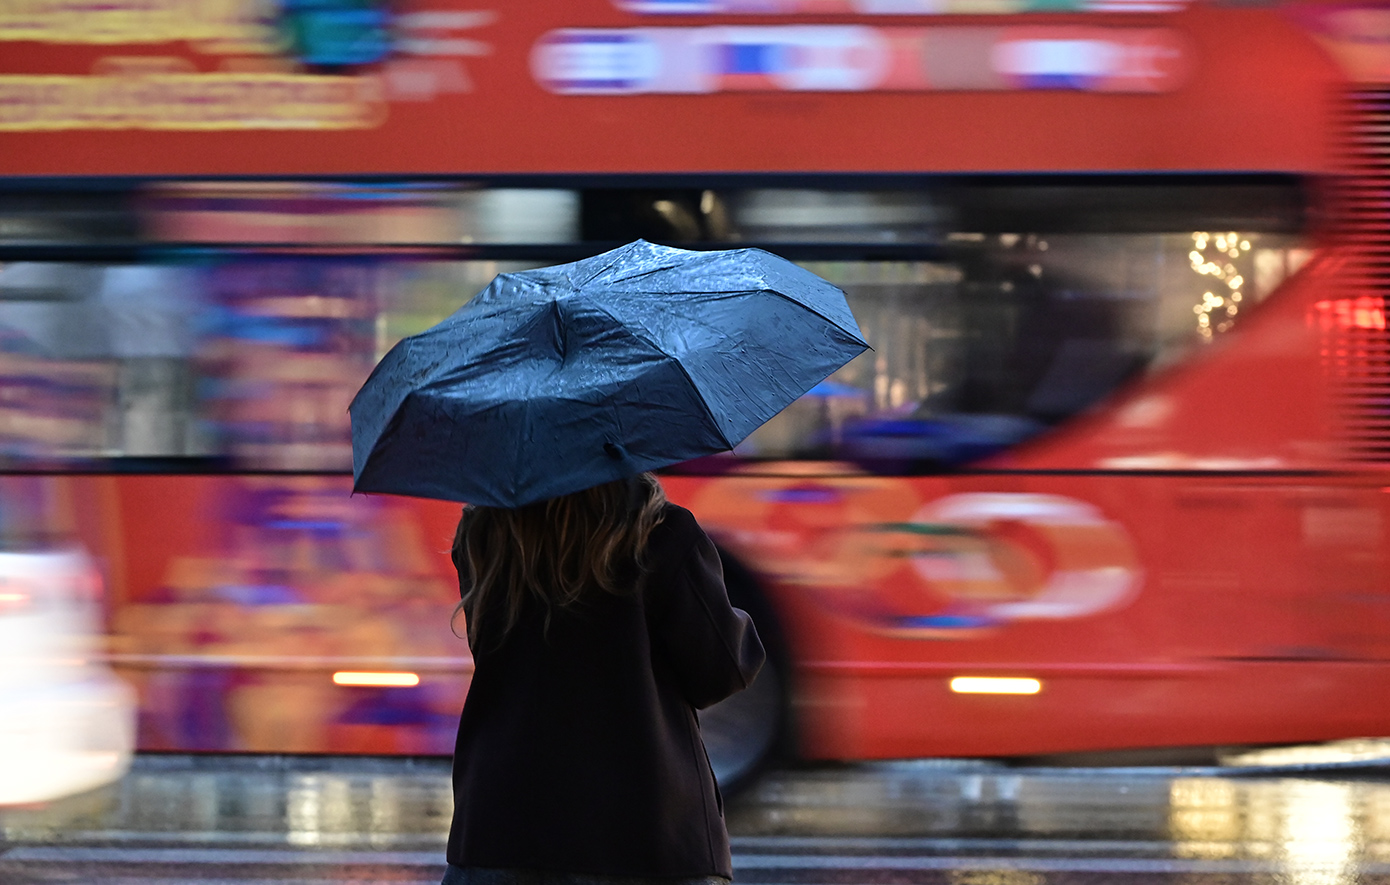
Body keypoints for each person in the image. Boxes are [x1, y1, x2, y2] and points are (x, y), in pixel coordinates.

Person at [442, 472, 766, 885]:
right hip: (647, 834)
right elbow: (721, 671)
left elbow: (490, 651)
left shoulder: (484, 535)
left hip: (501, 826)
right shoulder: (660, 533)